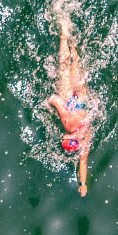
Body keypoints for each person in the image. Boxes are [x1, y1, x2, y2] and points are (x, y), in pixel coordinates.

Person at [44, 15, 92, 196]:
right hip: (69, 101)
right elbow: (56, 100)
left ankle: (71, 43)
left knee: (75, 68)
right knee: (64, 67)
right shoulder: (70, 124)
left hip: (80, 100)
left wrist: (84, 182)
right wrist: (49, 102)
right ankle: (65, 38)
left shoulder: (85, 137)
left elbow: (83, 162)